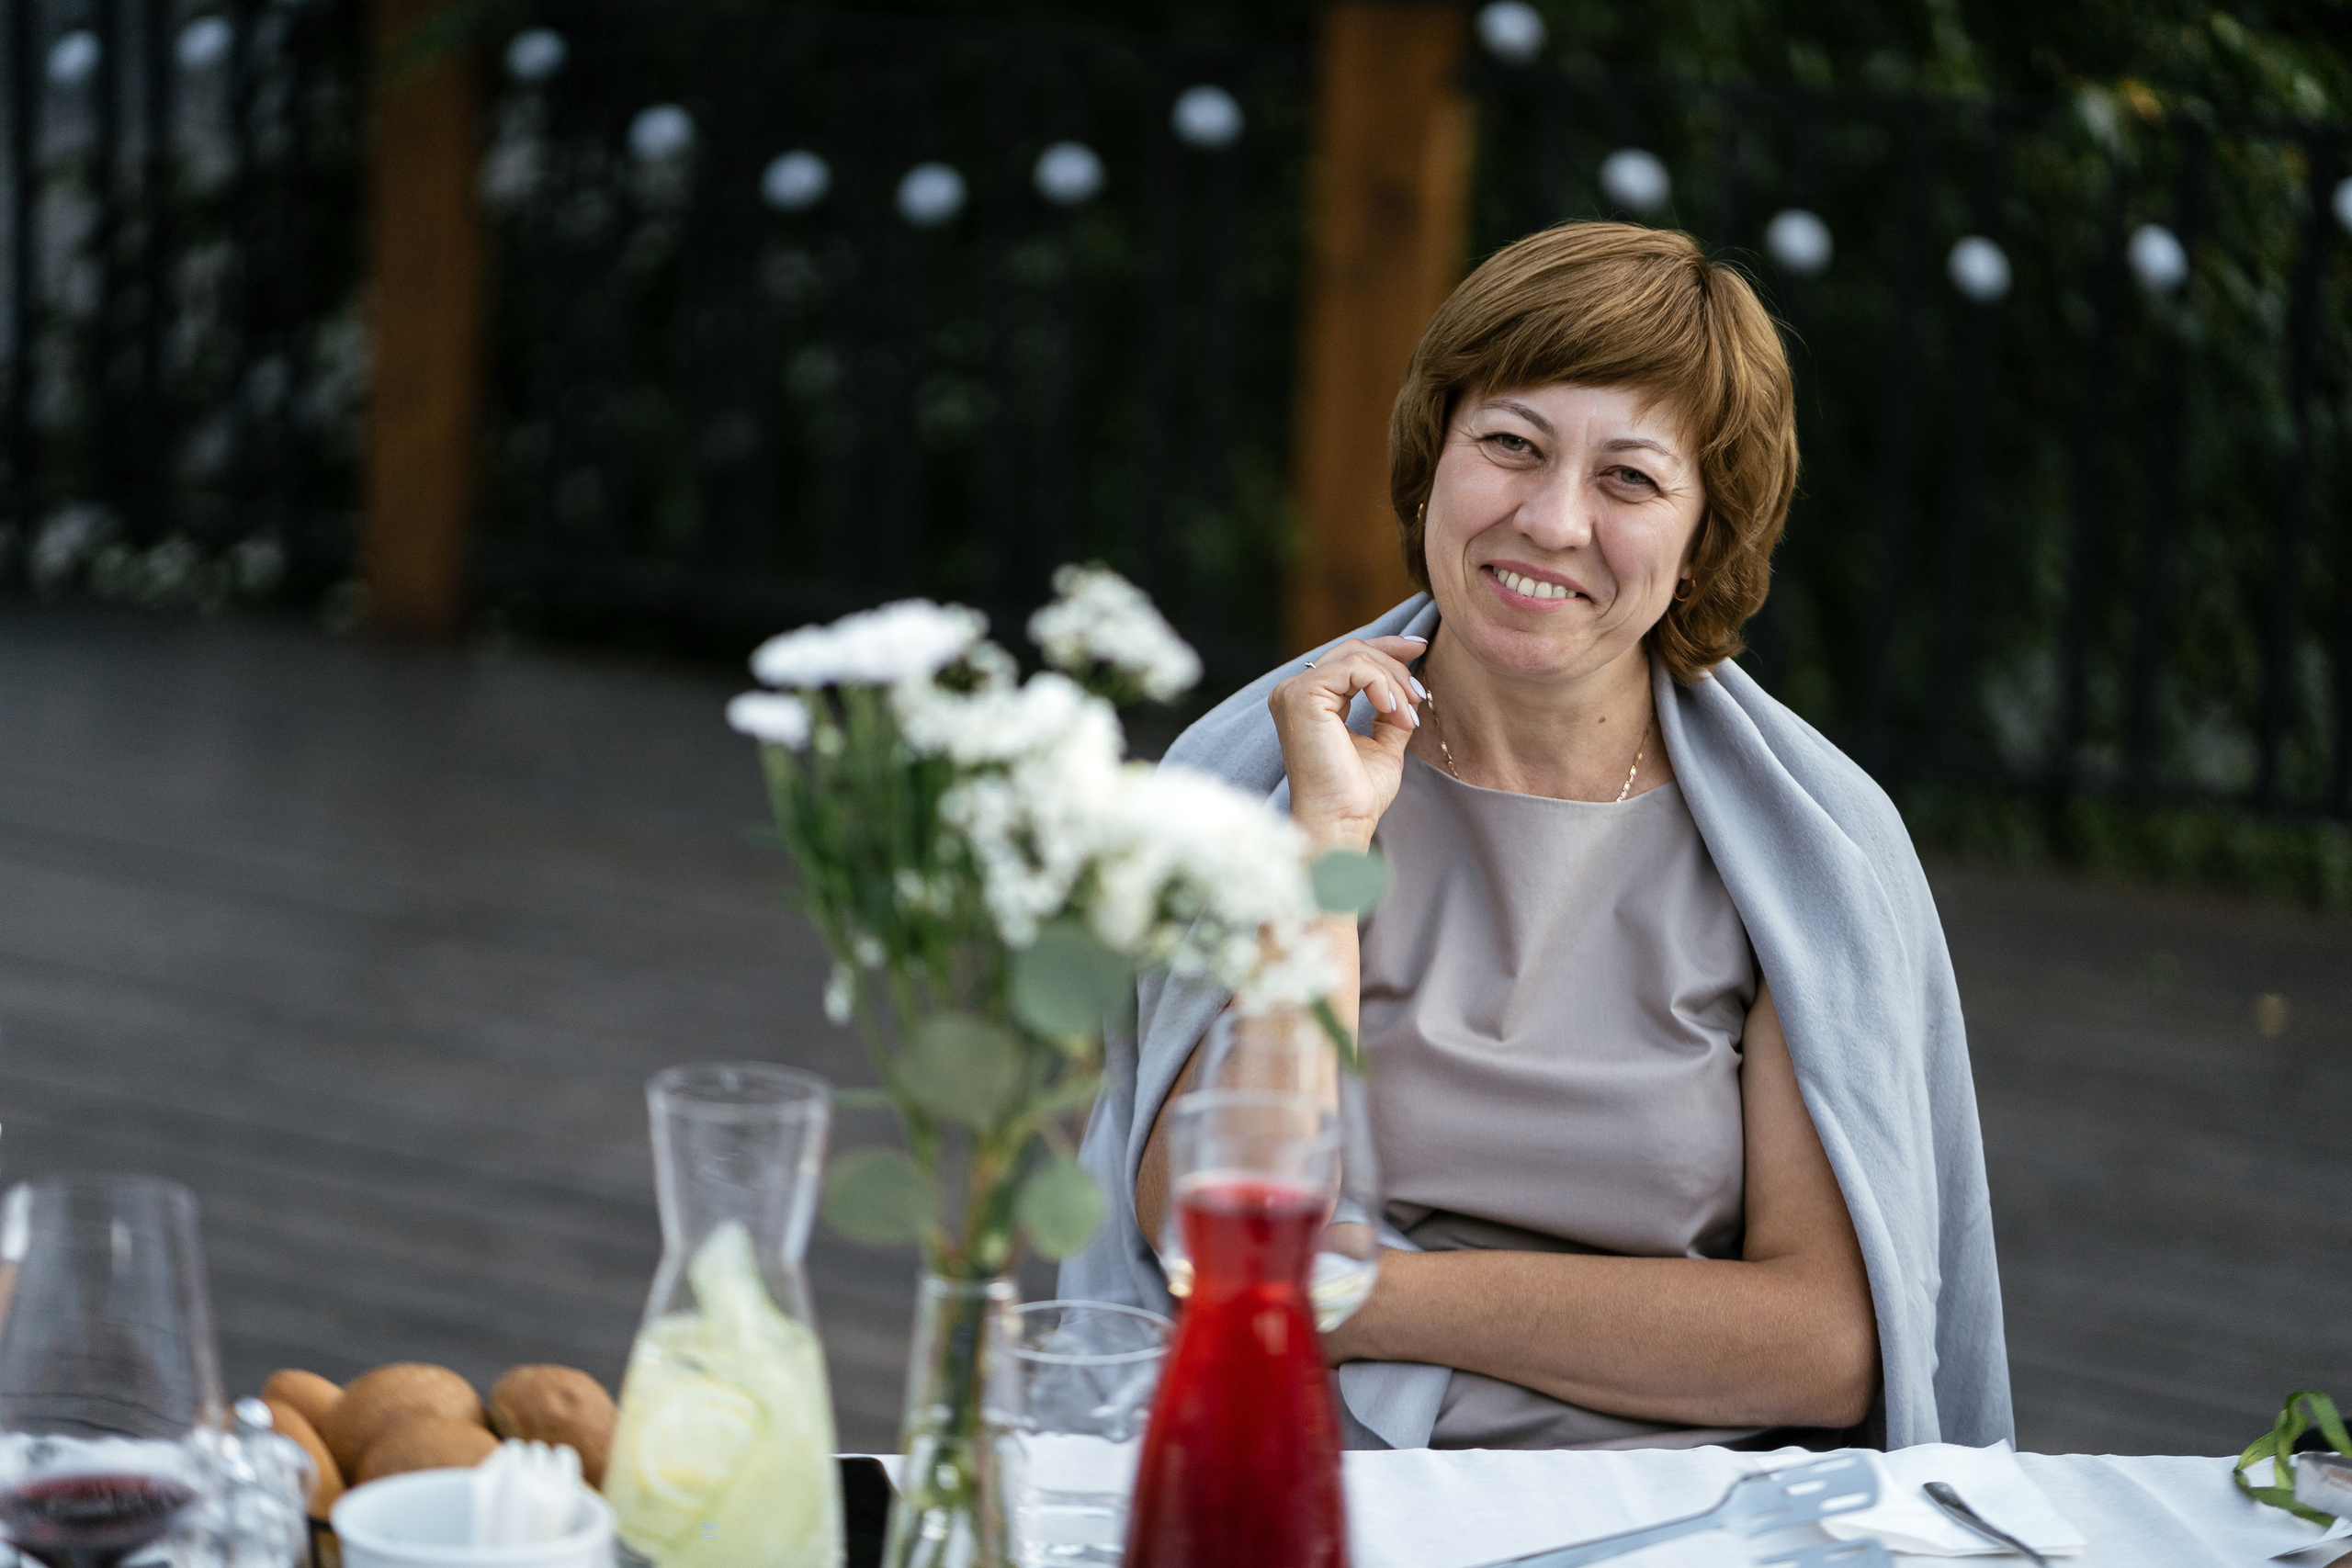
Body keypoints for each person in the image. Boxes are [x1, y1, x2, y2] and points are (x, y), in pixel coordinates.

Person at [1065, 220, 2012, 1452]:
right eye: (1510, 446)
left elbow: (1824, 1351)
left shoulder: (1807, 849)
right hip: (1304, 1474)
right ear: (1435, 458)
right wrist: (1326, 848)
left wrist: (1366, 1295)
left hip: (1682, 1519)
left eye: (1629, 479)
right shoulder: (1259, 777)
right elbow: (1218, 1232)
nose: (1553, 521)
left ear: (1704, 533)